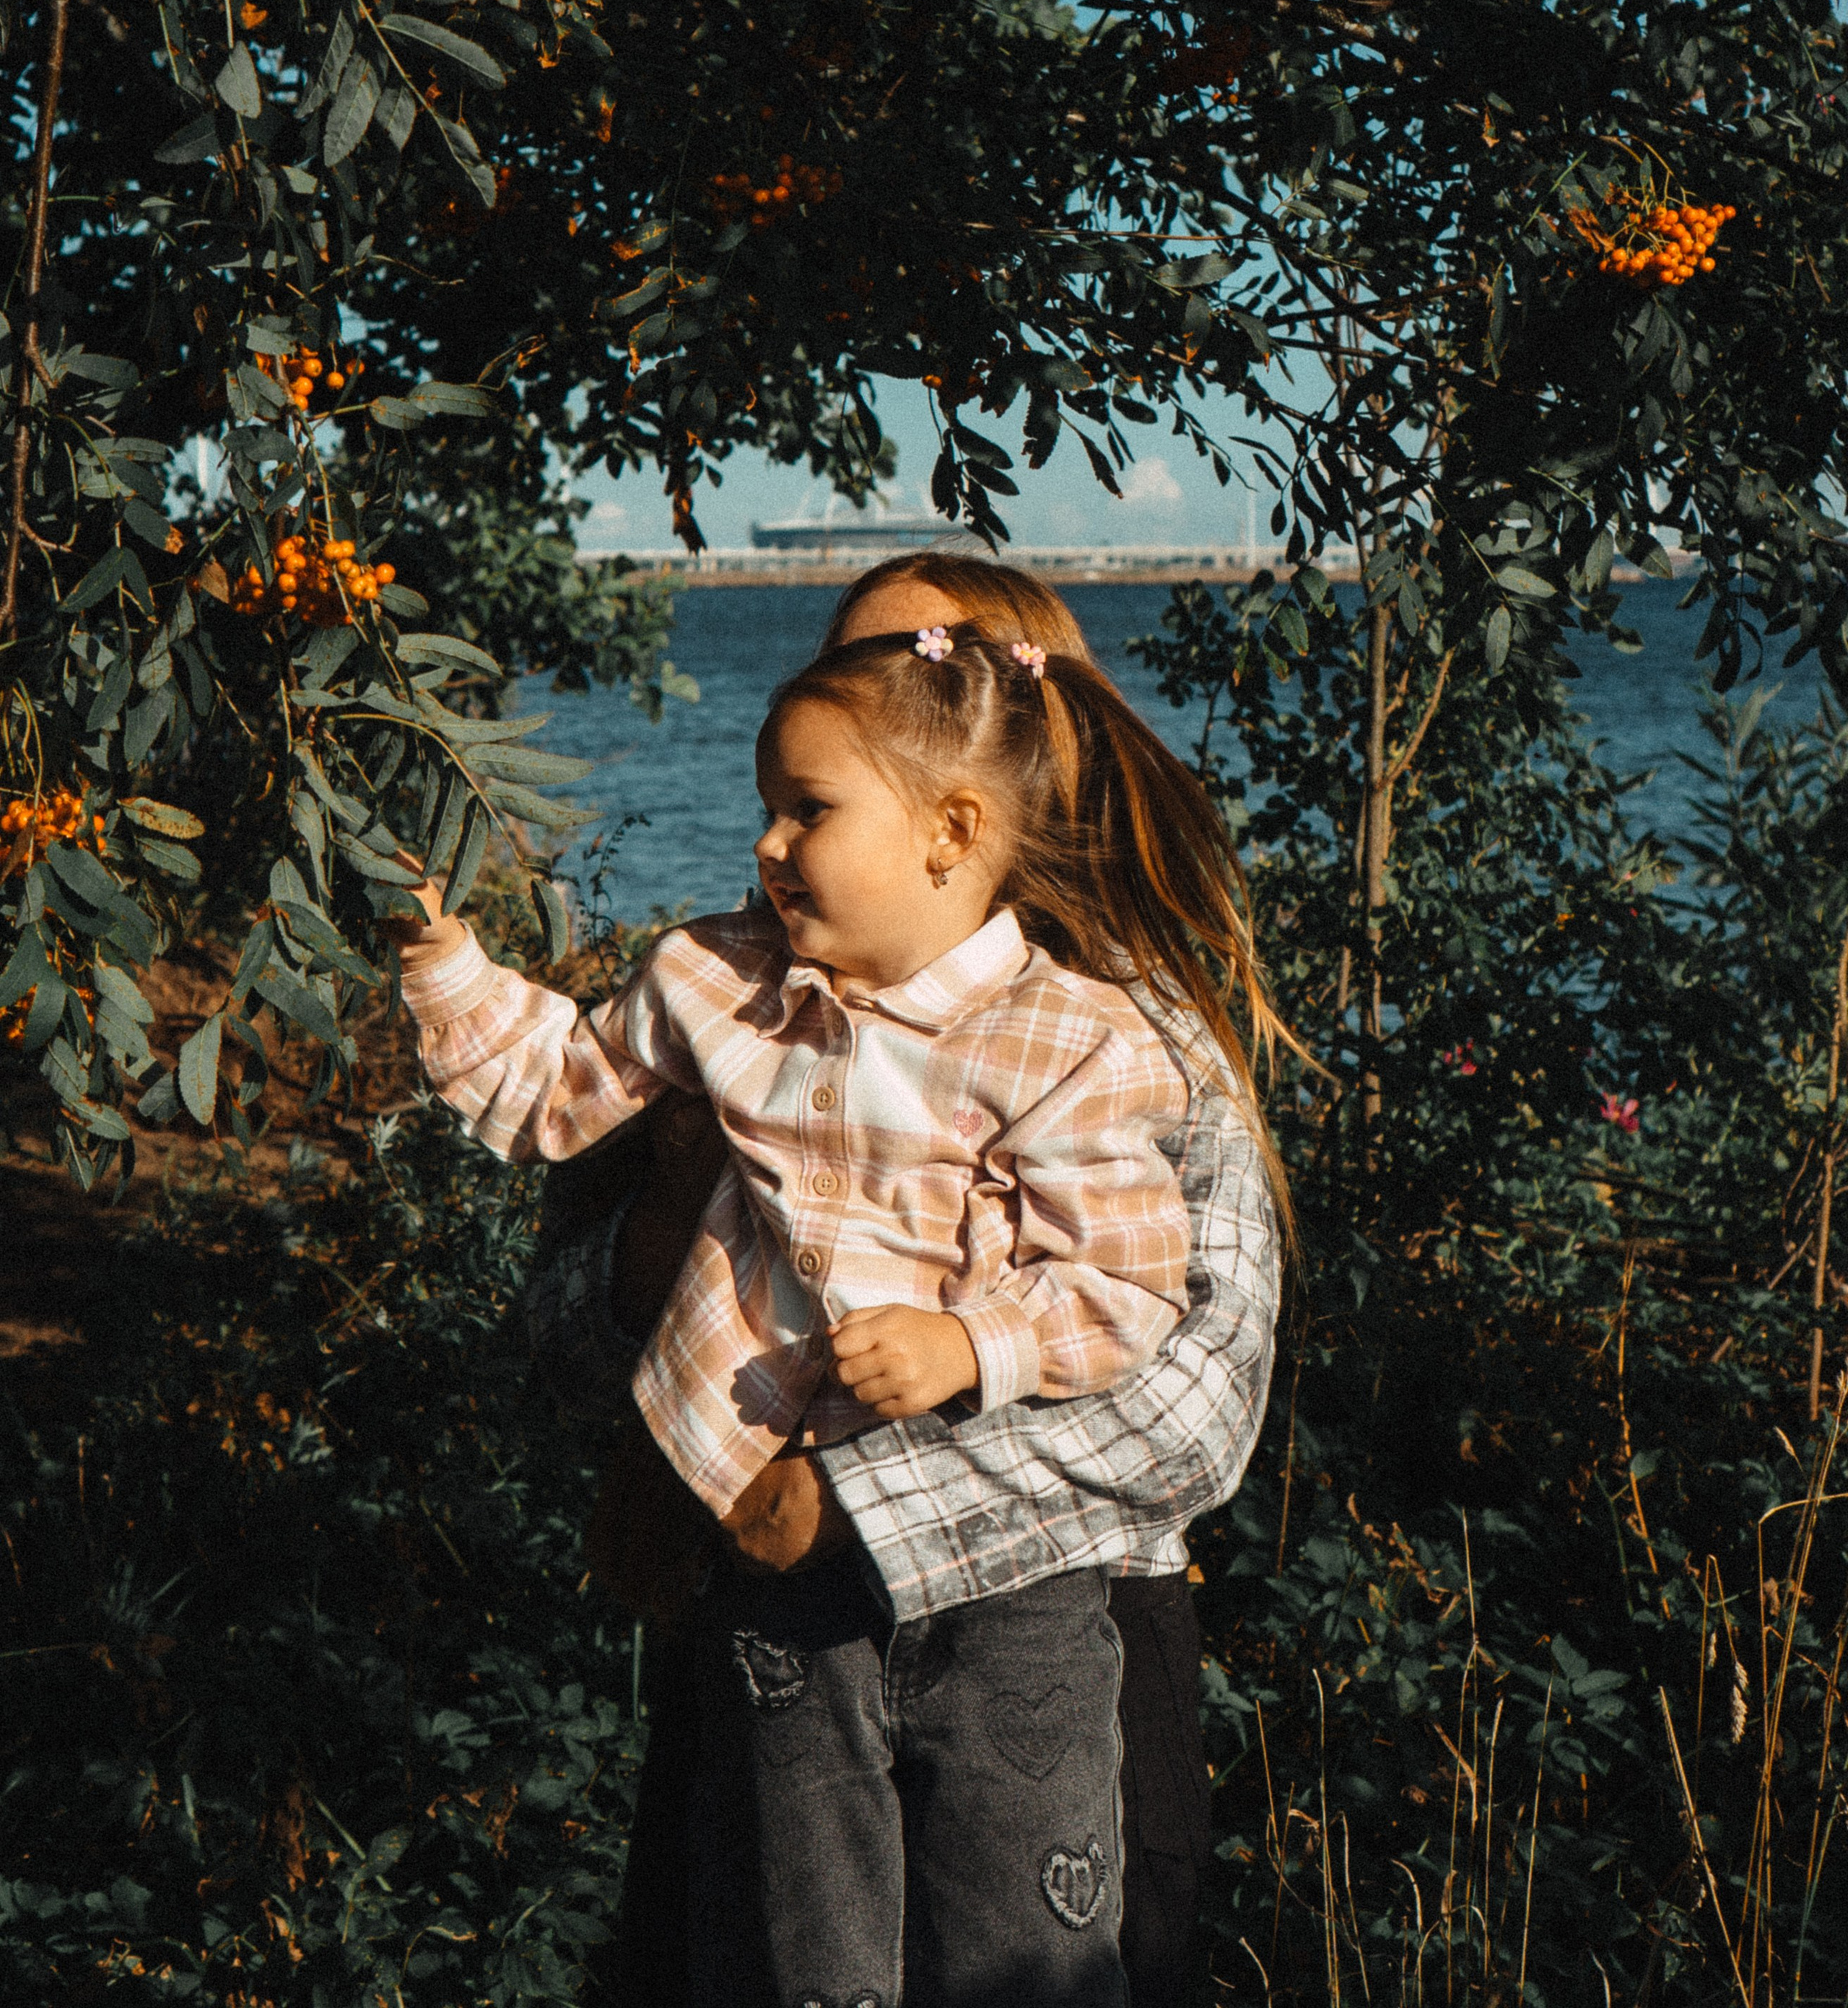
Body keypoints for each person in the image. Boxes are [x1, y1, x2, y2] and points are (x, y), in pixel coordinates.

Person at [388, 582, 1286, 2007]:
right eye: (839, 674)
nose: (773, 833)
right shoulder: (735, 999)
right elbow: (561, 1323)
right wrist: (663, 1199)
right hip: (758, 1616)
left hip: (1050, 1634)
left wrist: (845, 1501)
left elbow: (1187, 1407)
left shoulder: (1115, 1032)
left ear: (968, 795)